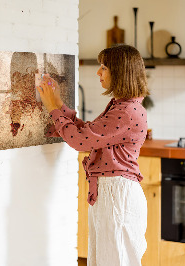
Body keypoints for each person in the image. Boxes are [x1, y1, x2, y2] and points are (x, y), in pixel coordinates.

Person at [37, 44, 149, 266]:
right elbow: (88, 133)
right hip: (112, 193)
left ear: (120, 72)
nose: (98, 72)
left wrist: (52, 108)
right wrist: (58, 103)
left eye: (104, 67)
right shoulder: (122, 106)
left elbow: (80, 141)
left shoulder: (126, 111)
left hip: (117, 195)